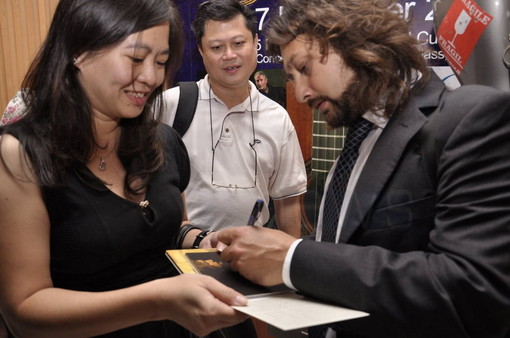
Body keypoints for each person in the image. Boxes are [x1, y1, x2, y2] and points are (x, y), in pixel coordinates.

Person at [217, 0, 510, 337]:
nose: (301, 93)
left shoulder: (468, 118)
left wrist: (292, 258)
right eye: (292, 78)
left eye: (304, 68)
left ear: (351, 40)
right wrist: (258, 256)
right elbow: (352, 244)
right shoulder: (358, 142)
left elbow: (473, 292)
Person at [0, 0, 249, 337]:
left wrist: (204, 242)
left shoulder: (162, 141)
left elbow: (171, 225)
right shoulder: (22, 156)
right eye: (135, 59)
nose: (150, 77)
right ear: (79, 50)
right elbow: (24, 310)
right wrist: (157, 301)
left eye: (161, 62)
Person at [161, 0, 307, 241]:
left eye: (238, 43)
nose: (229, 55)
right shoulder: (171, 105)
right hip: (177, 257)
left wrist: (287, 265)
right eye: (217, 47)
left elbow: (288, 201)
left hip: (248, 259)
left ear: (255, 43)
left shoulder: (277, 118)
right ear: (201, 51)